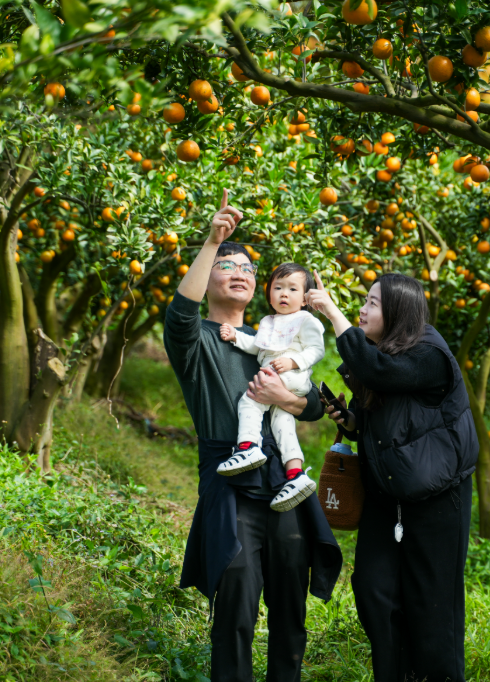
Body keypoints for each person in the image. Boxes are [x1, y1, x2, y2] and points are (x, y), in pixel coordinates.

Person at [164, 190, 342, 682]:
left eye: (246, 267)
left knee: (290, 596)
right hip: (230, 479)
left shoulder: (276, 338)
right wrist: (211, 242)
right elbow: (179, 314)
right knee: (238, 587)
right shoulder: (197, 340)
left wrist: (286, 400)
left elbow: (310, 405)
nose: (239, 270)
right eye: (227, 265)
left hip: (284, 480)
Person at [305, 271, 478, 682]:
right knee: (373, 592)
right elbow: (385, 422)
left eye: (371, 303)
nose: (362, 310)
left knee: (432, 604)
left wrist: (332, 311)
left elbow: (383, 373)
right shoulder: (384, 352)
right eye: (362, 302)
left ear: (399, 310)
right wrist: (350, 422)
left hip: (437, 498)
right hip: (387, 497)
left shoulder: (430, 354)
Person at [217, 263, 326, 512]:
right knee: (282, 424)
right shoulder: (269, 321)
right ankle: (296, 474)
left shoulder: (304, 320)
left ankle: (247, 447)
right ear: (269, 294)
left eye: (292, 289)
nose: (284, 294)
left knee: (250, 400)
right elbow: (257, 345)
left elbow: (317, 349)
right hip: (281, 380)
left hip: (291, 375)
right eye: (278, 288)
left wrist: (292, 361)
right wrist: (235, 336)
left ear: (305, 298)